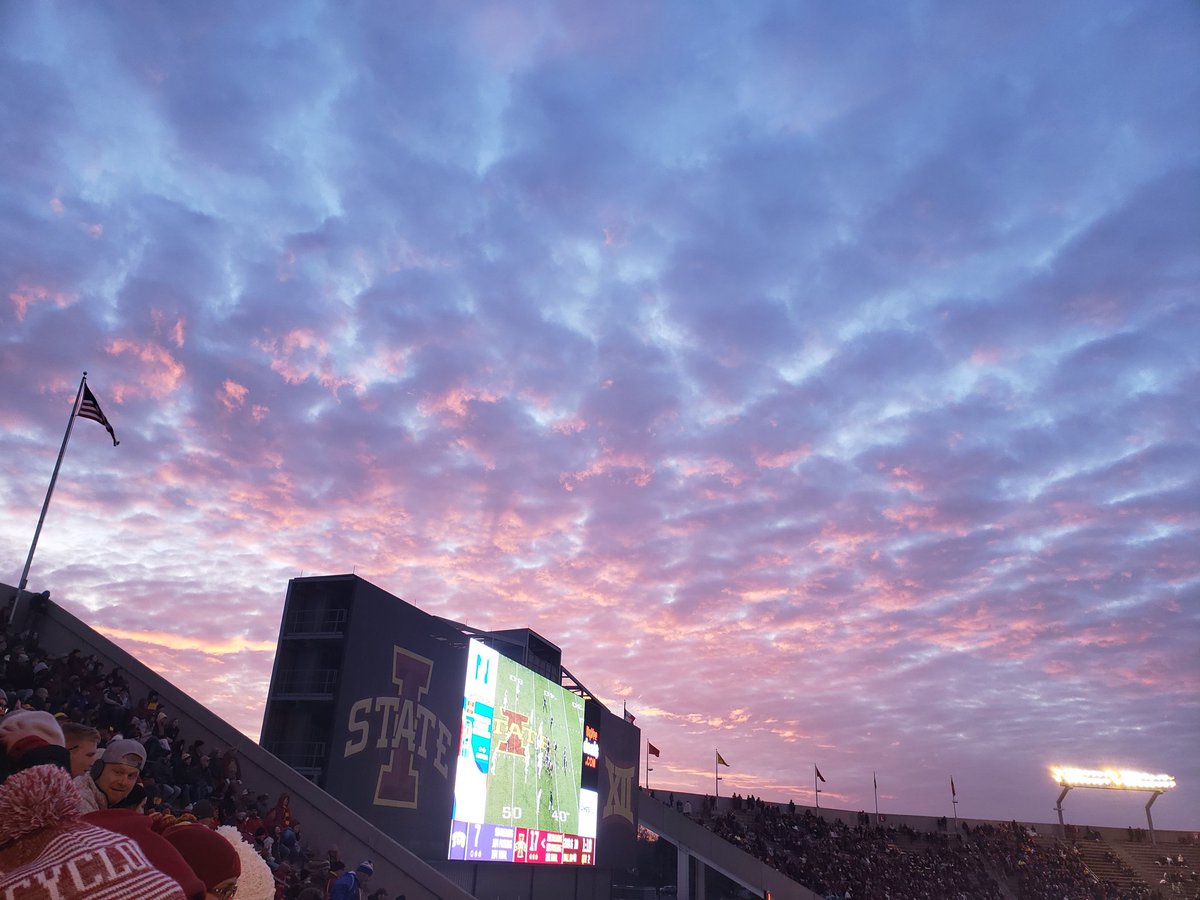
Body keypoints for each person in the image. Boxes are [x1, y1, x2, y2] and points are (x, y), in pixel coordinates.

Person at [75, 736, 146, 812]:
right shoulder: (78, 800)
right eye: (118, 772)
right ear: (98, 769)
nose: (123, 783)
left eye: (131, 776)